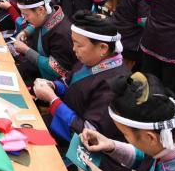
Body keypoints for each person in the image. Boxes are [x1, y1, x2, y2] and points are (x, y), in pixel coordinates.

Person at [32, 12, 128, 143]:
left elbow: (90, 134)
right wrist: (52, 86)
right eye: (73, 43)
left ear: (103, 48)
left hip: (74, 141)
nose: (74, 49)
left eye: (79, 45)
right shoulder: (89, 59)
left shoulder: (114, 85)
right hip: (58, 122)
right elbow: (68, 83)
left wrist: (53, 99)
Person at [11, 0, 77, 85]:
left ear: (40, 10)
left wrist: (26, 50)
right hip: (32, 68)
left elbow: (59, 69)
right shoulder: (48, 16)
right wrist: (25, 32)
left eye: (26, 15)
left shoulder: (62, 34)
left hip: (45, 82)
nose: (25, 19)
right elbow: (38, 24)